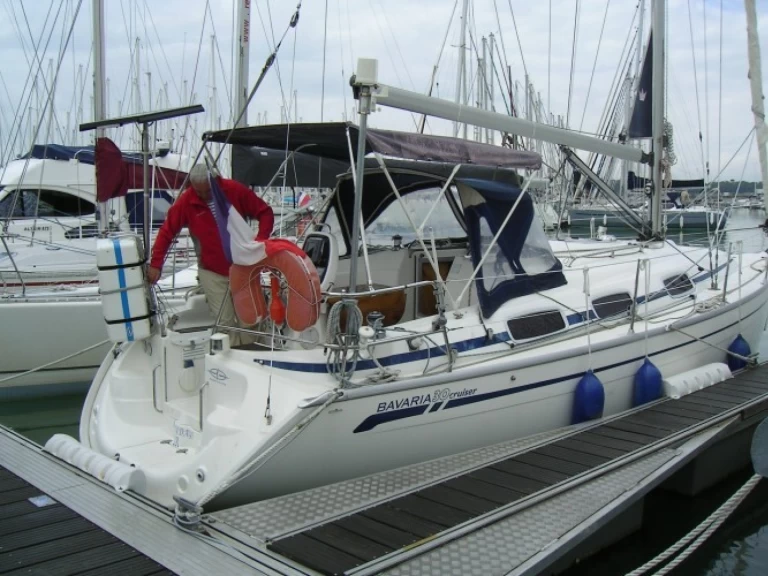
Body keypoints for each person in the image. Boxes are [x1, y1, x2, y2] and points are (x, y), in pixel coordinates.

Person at [148, 165, 274, 344]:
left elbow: (265, 212)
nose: (203, 196)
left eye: (207, 191)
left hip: (243, 267)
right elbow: (167, 232)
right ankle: (230, 361)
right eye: (198, 191)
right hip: (211, 271)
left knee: (250, 319)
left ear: (215, 183)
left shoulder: (234, 190)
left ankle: (249, 356)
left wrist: (260, 242)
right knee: (224, 323)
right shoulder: (187, 201)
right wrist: (156, 264)